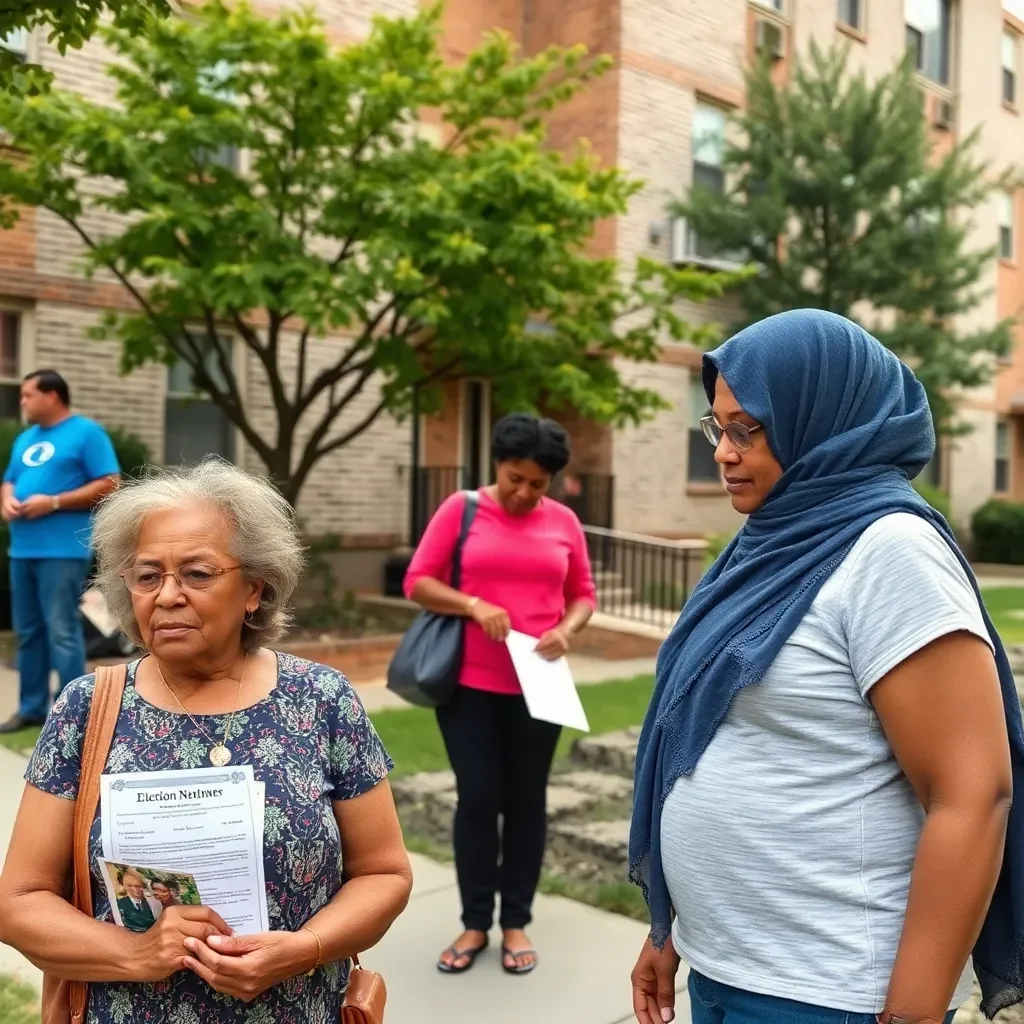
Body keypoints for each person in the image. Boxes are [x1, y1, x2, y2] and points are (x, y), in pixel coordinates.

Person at [628, 310, 1021, 1024]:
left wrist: (912, 1012)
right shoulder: (769, 542)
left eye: (748, 428)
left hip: (827, 989)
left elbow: (974, 793)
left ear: (823, 417)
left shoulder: (888, 550)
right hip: (724, 967)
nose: (723, 451)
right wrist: (671, 926)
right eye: (718, 427)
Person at [0, 458, 412, 1023]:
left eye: (197, 573)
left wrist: (306, 948)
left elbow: (384, 873)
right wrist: (138, 953)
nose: (167, 595)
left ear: (253, 590)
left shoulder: (321, 701)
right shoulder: (87, 707)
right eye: (148, 576)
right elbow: (19, 903)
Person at [405, 413, 597, 976]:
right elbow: (417, 580)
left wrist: (568, 628)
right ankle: (473, 922)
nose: (523, 492)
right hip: (470, 686)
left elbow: (583, 593)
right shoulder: (461, 510)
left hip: (541, 687)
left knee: (527, 803)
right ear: (498, 465)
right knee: (478, 800)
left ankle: (515, 921)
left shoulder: (564, 521)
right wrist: (472, 604)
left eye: (537, 484)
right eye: (515, 478)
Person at [0, 369, 120, 733]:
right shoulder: (26, 438)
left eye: (27, 395)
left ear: (52, 396)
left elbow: (111, 483)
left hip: (63, 551)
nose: (22, 402)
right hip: (22, 551)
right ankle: (32, 708)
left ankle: (72, 714)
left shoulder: (86, 433)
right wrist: (6, 499)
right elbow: (9, 479)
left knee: (61, 630)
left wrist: (52, 502)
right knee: (29, 631)